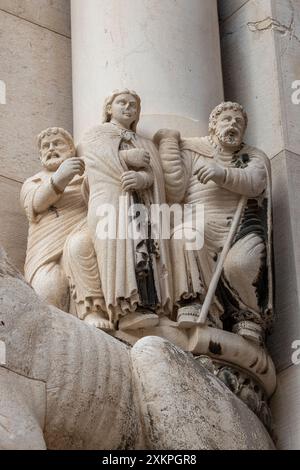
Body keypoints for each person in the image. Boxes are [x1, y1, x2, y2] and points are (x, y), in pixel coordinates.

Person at [154, 102, 273, 344]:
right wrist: (168, 147)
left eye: (238, 122)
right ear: (213, 125)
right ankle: (194, 300)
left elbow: (256, 182)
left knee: (240, 263)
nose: (233, 124)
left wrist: (221, 173)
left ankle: (247, 316)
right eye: (227, 119)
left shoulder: (252, 156)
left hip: (240, 226)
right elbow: (174, 191)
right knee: (186, 235)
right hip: (201, 220)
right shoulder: (193, 150)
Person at [76, 89, 173, 330]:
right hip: (109, 200)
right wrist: (127, 156)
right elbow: (95, 162)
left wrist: (144, 179)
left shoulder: (146, 143)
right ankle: (122, 307)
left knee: (143, 251)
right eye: (122, 103)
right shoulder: (96, 134)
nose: (128, 108)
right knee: (117, 248)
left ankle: (146, 304)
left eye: (134, 105)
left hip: (140, 207)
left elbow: (157, 178)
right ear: (109, 108)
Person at [21, 127, 87, 312]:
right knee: (48, 291)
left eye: (57, 143)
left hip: (79, 245)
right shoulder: (33, 182)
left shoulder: (86, 179)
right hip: (44, 252)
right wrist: (60, 177)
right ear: (40, 155)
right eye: (45, 146)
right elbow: (37, 203)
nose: (51, 148)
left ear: (72, 150)